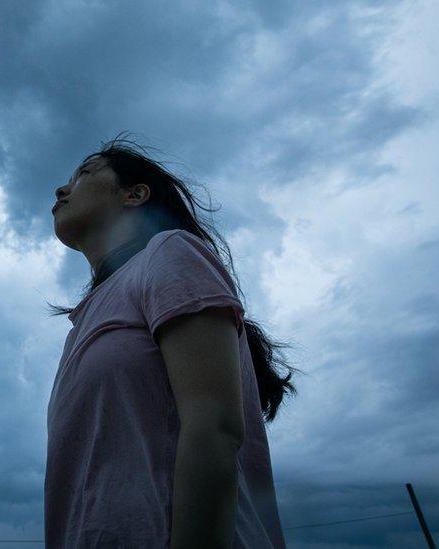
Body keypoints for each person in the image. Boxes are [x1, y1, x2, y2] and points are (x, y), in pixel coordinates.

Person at [44, 133, 299, 548]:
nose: (61, 188)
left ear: (135, 195)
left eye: (85, 174)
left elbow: (214, 427)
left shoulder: (170, 252)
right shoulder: (81, 322)